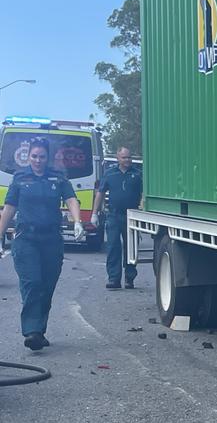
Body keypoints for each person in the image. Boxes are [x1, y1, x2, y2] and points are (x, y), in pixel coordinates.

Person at [0, 137, 83, 351]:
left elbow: (72, 199)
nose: (38, 160)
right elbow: (9, 208)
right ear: (28, 157)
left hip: (51, 240)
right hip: (26, 239)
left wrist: (77, 222)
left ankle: (39, 330)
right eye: (34, 156)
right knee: (33, 283)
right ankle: (31, 331)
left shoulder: (58, 177)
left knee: (46, 286)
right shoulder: (20, 178)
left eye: (42, 156)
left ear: (48, 158)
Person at [93, 147, 143, 289]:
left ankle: (129, 278)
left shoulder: (138, 174)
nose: (127, 160)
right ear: (117, 158)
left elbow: (144, 194)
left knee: (131, 248)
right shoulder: (109, 174)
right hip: (114, 215)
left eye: (129, 157)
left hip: (132, 215)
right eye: (124, 157)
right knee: (113, 247)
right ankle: (114, 279)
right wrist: (94, 213)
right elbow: (100, 193)